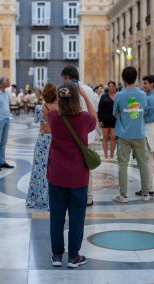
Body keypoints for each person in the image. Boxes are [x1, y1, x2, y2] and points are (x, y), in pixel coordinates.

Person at [47, 80, 97, 268]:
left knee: (57, 216)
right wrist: (84, 95)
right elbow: (94, 116)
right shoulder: (84, 118)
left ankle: (57, 255)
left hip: (57, 174)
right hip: (78, 176)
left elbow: (53, 107)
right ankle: (74, 256)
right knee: (77, 216)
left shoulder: (53, 116)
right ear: (76, 98)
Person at [61, 65, 97, 206]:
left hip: (72, 136)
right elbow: (95, 111)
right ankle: (88, 197)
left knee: (71, 166)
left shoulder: (65, 90)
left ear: (68, 78)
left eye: (64, 78)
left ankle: (73, 196)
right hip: (89, 135)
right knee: (87, 167)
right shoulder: (89, 90)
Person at [112, 66, 149, 203]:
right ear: (136, 77)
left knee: (123, 164)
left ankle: (123, 196)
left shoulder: (119, 95)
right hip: (139, 133)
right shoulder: (143, 94)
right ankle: (146, 194)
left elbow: (115, 113)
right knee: (143, 164)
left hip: (124, 134)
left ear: (123, 79)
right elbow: (144, 111)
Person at [26, 83, 58, 210]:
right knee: (53, 169)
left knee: (39, 170)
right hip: (54, 140)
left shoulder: (39, 108)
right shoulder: (59, 108)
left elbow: (36, 121)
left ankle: (37, 198)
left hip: (42, 140)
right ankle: (52, 198)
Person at [135, 75, 154, 197]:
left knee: (148, 160)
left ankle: (148, 188)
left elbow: (143, 114)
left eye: (145, 83)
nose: (143, 85)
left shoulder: (148, 99)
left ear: (152, 84)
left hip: (149, 128)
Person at [98, 81, 117, 161]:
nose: (111, 88)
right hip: (105, 119)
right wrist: (100, 120)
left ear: (115, 87)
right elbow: (100, 108)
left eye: (112, 86)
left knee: (113, 138)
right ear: (108, 87)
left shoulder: (118, 96)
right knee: (105, 138)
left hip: (115, 120)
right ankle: (106, 156)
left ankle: (112, 156)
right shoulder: (104, 96)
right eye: (109, 86)